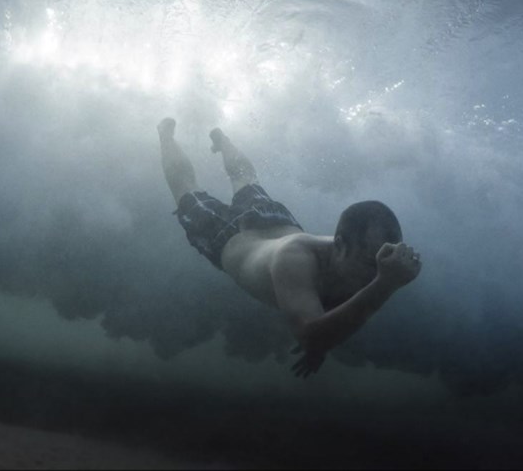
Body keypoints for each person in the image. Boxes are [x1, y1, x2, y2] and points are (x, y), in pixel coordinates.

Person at [157, 117, 422, 378]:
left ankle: (223, 141)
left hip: (275, 219)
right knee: (185, 189)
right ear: (338, 244)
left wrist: (324, 338)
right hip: (228, 239)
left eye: (383, 261)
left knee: (245, 177)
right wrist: (386, 284)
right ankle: (165, 136)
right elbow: (311, 335)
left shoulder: (370, 260)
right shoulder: (296, 259)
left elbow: (322, 328)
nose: (377, 273)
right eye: (369, 264)